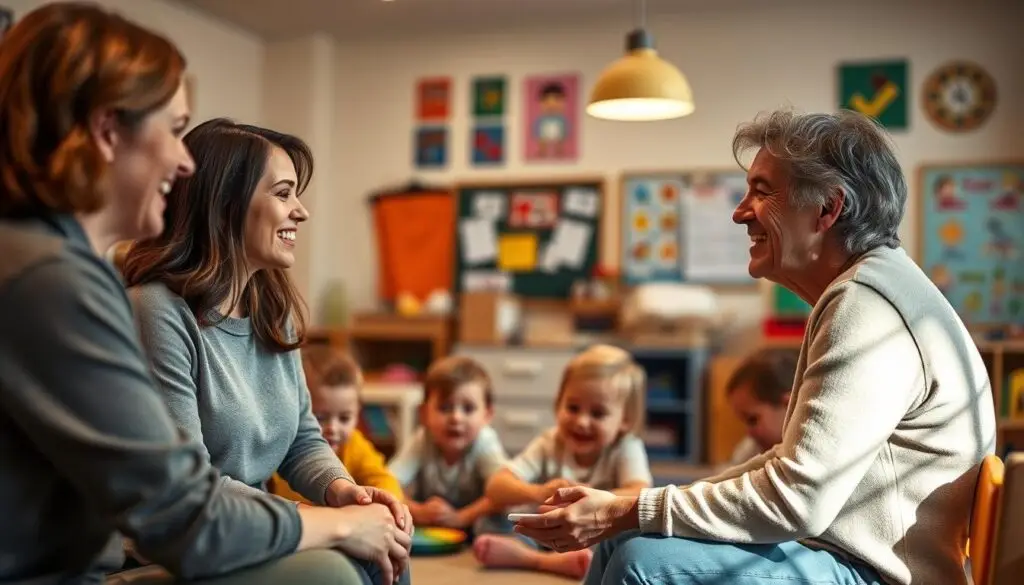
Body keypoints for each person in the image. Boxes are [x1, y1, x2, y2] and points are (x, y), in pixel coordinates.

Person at [0, 3, 410, 585]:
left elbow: (293, 442)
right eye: (172, 130)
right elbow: (182, 514)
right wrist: (336, 524)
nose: (183, 159)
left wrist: (342, 497)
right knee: (338, 572)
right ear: (107, 130)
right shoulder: (55, 284)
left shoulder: (51, 267)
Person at [511, 109, 997, 585]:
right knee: (627, 538)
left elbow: (796, 500)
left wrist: (628, 509)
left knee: (640, 560)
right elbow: (790, 466)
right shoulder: (874, 288)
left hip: (872, 572)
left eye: (762, 192)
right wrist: (633, 510)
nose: (740, 211)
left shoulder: (867, 308)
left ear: (829, 208)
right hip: (842, 552)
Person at [119, 118, 411, 585]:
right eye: (282, 193)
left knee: (384, 547)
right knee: (336, 572)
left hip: (255, 529)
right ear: (225, 205)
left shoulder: (273, 312)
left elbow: (301, 437)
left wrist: (346, 495)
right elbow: (189, 491)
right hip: (173, 550)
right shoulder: (155, 311)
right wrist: (321, 522)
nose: (301, 211)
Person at [476, 344, 652, 579]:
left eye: (597, 414)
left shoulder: (626, 446)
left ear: (625, 420)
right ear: (558, 403)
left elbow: (640, 492)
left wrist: (593, 499)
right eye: (573, 407)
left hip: (593, 537)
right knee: (490, 521)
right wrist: (538, 493)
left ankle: (530, 559)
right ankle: (547, 560)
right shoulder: (550, 441)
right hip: (546, 536)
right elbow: (496, 486)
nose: (581, 421)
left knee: (634, 541)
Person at [387, 356, 508, 532]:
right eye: (445, 408)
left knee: (496, 524)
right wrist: (418, 511)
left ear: (487, 415)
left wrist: (460, 518)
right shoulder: (423, 439)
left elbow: (503, 494)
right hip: (431, 526)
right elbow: (389, 483)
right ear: (424, 413)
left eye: (468, 408)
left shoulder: (485, 440)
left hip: (473, 523)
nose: (456, 418)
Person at [269, 346, 404, 502]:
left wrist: (383, 501)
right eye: (319, 417)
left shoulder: (354, 444)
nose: (333, 428)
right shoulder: (286, 446)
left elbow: (383, 477)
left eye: (344, 418)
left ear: (357, 413)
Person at [724, 348, 797, 466]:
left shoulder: (808, 456)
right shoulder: (751, 450)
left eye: (752, 419)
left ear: (789, 406)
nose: (749, 432)